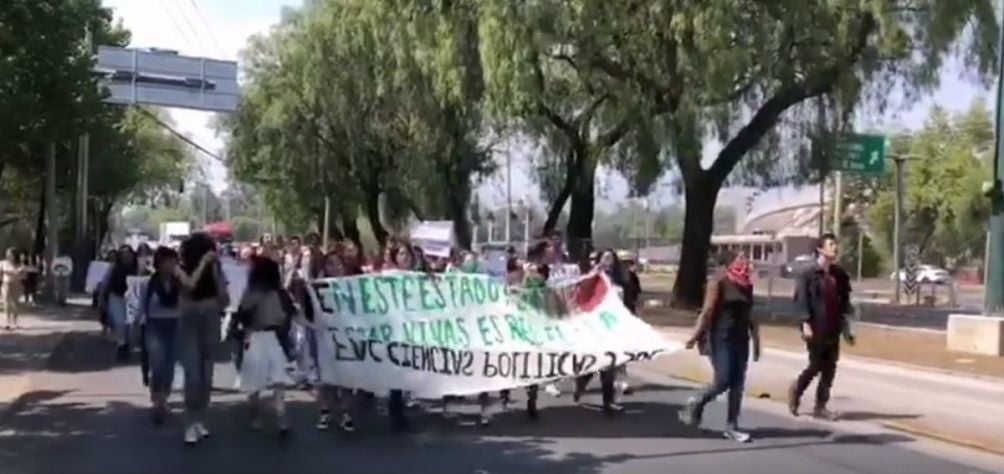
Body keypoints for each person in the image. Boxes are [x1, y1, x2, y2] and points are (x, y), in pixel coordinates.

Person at [679, 250, 760, 443]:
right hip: (720, 338)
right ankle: (696, 401)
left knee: (738, 384)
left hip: (741, 338)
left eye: (744, 258)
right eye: (740, 258)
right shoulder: (718, 282)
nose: (745, 261)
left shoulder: (746, 285)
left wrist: (756, 341)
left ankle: (732, 427)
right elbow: (707, 311)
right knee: (723, 380)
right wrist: (695, 336)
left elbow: (751, 315)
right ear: (728, 263)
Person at [235, 256, 312, 440]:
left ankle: (261, 415)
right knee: (274, 379)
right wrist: (312, 327)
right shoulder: (278, 294)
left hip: (258, 338)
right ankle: (278, 413)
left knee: (259, 381)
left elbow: (241, 316)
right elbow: (294, 315)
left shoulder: (254, 293)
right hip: (269, 338)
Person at [788, 233, 855, 421]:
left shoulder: (839, 275)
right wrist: (805, 322)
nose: (835, 248)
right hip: (815, 325)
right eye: (831, 244)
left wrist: (847, 328)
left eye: (836, 244)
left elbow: (844, 302)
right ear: (820, 249)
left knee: (830, 367)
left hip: (833, 326)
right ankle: (797, 390)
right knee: (816, 364)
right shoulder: (807, 274)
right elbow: (801, 299)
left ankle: (821, 406)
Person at [175, 232, 228, 446]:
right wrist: (204, 264)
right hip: (189, 317)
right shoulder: (179, 268)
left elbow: (224, 299)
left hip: (210, 315)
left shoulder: (214, 268)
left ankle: (200, 419)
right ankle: (189, 422)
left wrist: (216, 272)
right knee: (193, 374)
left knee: (207, 374)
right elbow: (190, 285)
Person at [572, 248, 626, 415]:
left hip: (613, 328)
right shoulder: (594, 277)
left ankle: (608, 402)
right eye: (605, 258)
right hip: (595, 327)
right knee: (592, 364)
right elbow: (582, 295)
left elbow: (627, 300)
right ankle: (581, 384)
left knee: (609, 366)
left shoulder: (619, 279)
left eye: (611, 258)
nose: (608, 261)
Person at [143, 247, 183, 426]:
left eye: (174, 261)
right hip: (155, 325)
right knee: (157, 363)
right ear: (159, 263)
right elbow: (140, 306)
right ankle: (158, 400)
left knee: (170, 364)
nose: (172, 265)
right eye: (168, 261)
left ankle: (164, 396)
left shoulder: (180, 282)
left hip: (175, 325)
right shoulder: (149, 283)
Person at [100, 245, 139, 361]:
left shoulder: (138, 268)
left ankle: (127, 344)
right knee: (119, 322)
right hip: (116, 296)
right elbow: (105, 284)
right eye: (123, 255)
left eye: (128, 254)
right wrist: (102, 300)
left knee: (131, 324)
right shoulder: (114, 269)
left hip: (132, 298)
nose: (126, 257)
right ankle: (122, 345)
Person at [2, 249, 24, 330]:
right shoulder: (3, 263)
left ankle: (15, 322)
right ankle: (7, 322)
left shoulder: (19, 264)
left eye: (10, 254)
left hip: (16, 284)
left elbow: (23, 275)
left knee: (15, 303)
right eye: (8, 254)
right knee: (6, 303)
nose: (9, 255)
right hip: (6, 284)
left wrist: (19, 272)